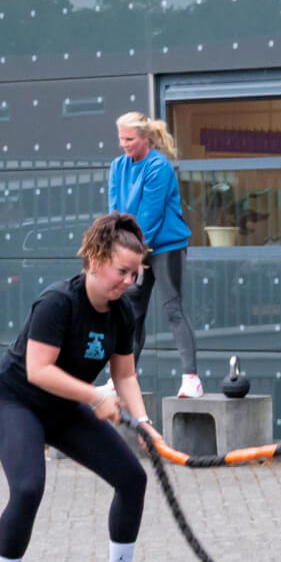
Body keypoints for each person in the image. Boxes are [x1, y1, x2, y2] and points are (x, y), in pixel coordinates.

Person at [0, 213, 167, 562]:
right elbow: (38, 370)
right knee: (28, 487)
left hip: (63, 407)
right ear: (97, 261)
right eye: (122, 271)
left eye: (135, 274)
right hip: (15, 401)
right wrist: (94, 396)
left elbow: (125, 374)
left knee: (132, 478)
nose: (129, 282)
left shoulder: (121, 313)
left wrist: (145, 423)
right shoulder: (58, 302)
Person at [109, 112, 200, 399]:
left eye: (129, 139)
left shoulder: (159, 167)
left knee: (174, 308)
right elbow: (115, 211)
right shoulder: (117, 166)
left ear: (145, 139)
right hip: (132, 247)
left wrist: (131, 255)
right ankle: (123, 378)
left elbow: (150, 216)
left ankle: (191, 380)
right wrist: (119, 251)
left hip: (164, 246)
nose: (123, 144)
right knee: (131, 314)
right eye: (120, 138)